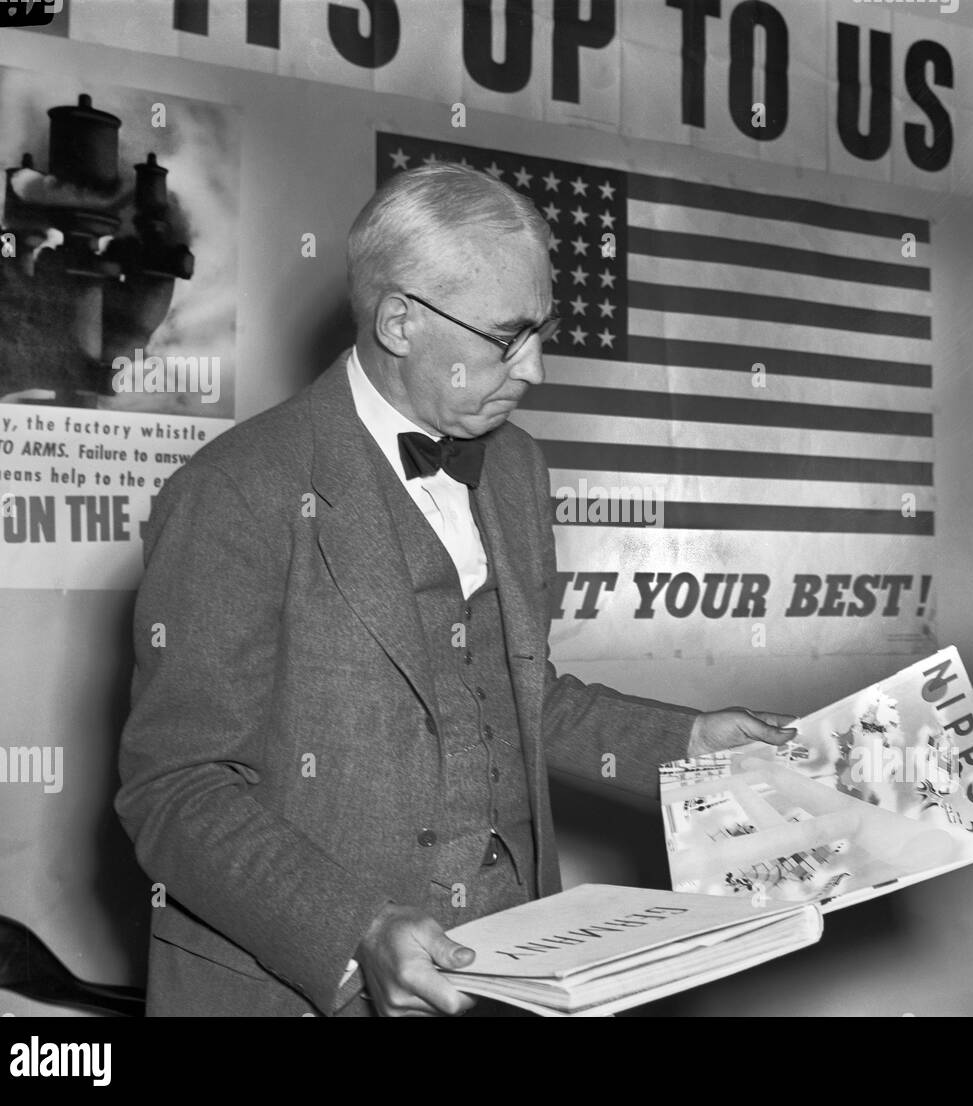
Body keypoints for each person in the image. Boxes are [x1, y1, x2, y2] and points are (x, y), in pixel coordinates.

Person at [115, 163, 796, 1018]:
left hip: (514, 970)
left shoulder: (515, 465)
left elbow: (509, 702)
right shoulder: (234, 490)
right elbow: (175, 790)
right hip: (302, 987)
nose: (537, 369)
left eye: (543, 331)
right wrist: (357, 929)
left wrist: (690, 739)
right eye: (508, 338)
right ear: (398, 321)